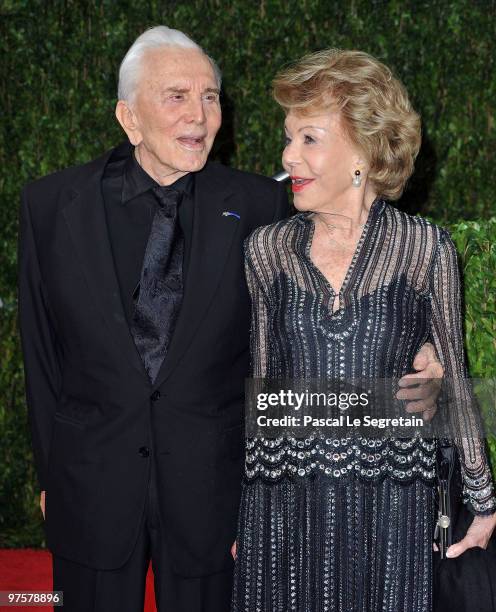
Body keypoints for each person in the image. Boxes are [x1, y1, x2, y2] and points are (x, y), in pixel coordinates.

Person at [18, 26, 442, 612]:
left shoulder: (265, 206)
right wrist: (49, 474)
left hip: (213, 498)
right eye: (177, 96)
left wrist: (419, 346)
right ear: (128, 117)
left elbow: (342, 280)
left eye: (211, 96)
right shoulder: (50, 206)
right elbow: (40, 354)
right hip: (89, 486)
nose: (200, 115)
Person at [232, 49, 496, 612]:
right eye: (288, 137)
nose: (287, 156)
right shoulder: (266, 251)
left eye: (309, 138)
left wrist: (482, 499)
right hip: (286, 509)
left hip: (390, 511)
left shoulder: (426, 250)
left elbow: (456, 383)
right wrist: (243, 512)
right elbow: (260, 391)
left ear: (364, 150)